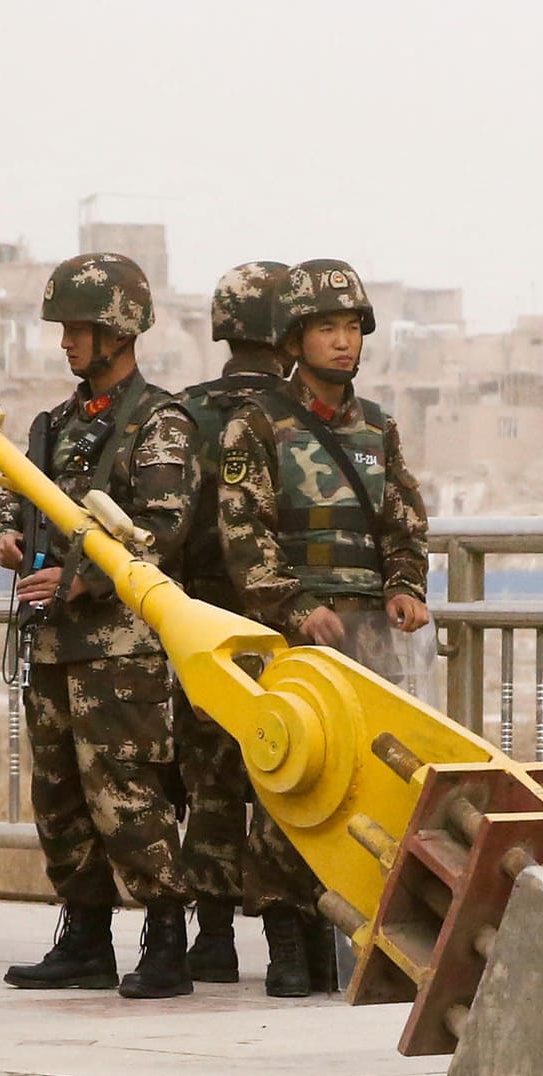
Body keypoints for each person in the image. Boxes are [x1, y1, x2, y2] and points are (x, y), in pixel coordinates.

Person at [0, 252, 197, 999]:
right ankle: (84, 936)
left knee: (129, 792)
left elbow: (162, 530)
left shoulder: (159, 423)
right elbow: (10, 503)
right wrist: (4, 540)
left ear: (119, 330)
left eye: (79, 328)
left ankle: (167, 937)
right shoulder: (51, 427)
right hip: (49, 645)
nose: (67, 342)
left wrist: (79, 580)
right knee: (60, 796)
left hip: (120, 651)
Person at [215, 258, 429, 996]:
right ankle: (285, 935)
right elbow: (244, 534)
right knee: (293, 779)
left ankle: (345, 925)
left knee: (364, 779)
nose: (343, 342)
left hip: (369, 638)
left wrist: (404, 587)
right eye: (326, 328)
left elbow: (404, 522)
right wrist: (295, 608)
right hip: (294, 637)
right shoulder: (259, 423)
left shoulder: (379, 428)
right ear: (294, 338)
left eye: (351, 328)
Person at [171, 261, 291, 983]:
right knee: (286, 779)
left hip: (203, 627)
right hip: (283, 624)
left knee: (210, 782)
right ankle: (290, 950)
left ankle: (212, 938)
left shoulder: (182, 411)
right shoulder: (297, 412)